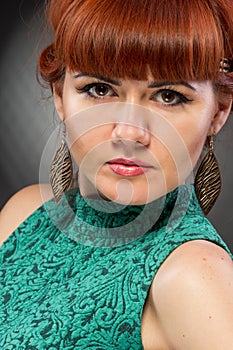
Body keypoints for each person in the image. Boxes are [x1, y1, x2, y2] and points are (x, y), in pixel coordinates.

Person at [0, 0, 233, 348]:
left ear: (219, 112)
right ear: (59, 95)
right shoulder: (25, 212)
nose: (129, 132)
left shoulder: (192, 275)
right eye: (100, 89)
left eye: (169, 96)